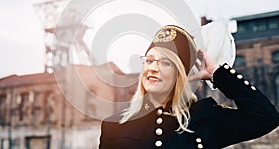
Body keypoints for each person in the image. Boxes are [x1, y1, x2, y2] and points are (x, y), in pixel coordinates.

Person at [99, 25, 279, 149]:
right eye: (149, 60)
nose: (153, 67)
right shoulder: (115, 125)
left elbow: (266, 117)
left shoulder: (205, 118)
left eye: (165, 63)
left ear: (180, 75)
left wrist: (218, 75)